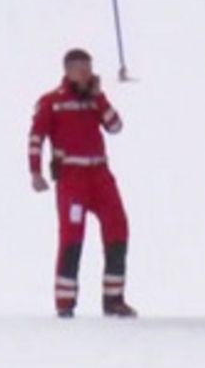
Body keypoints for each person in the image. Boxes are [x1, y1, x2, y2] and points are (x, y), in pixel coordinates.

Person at [29, 48, 136, 318]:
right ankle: (65, 303)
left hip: (100, 174)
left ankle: (114, 299)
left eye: (88, 68)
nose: (86, 74)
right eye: (80, 69)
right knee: (72, 236)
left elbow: (115, 126)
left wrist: (99, 96)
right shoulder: (51, 101)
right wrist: (35, 171)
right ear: (68, 71)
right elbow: (36, 137)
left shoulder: (95, 100)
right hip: (72, 178)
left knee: (118, 227)